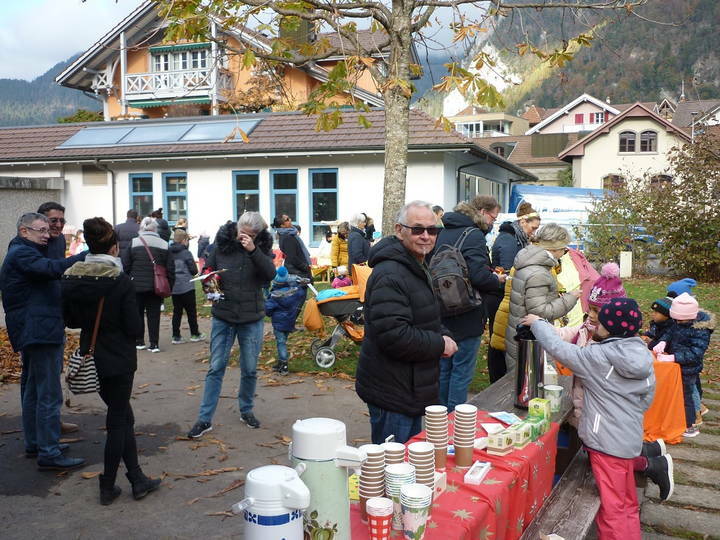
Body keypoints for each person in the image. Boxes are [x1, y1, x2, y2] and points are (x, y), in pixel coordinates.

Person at [522, 298, 656, 540]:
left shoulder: (599, 358)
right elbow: (647, 396)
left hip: (606, 445)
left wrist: (538, 323)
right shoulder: (641, 354)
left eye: (601, 323)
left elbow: (558, 348)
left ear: (611, 328)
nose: (595, 326)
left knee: (612, 507)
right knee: (625, 503)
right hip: (627, 440)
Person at [61, 217, 161, 505]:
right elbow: (134, 329)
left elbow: (69, 318)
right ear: (115, 248)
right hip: (118, 358)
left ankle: (137, 478)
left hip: (91, 355)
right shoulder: (119, 281)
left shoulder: (72, 275)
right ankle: (107, 484)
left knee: (123, 416)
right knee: (118, 420)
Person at [554, 265, 674, 502]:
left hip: (599, 409)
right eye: (592, 308)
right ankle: (650, 456)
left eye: (599, 311)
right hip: (586, 403)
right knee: (596, 452)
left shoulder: (616, 346)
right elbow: (568, 335)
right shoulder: (590, 328)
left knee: (602, 456)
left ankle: (650, 465)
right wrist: (546, 328)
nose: (592, 315)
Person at [355, 201, 458, 444]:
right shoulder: (391, 273)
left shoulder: (415, 265)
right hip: (393, 391)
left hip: (410, 388)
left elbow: (422, 315)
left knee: (407, 467)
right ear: (399, 230)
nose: (426, 236)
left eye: (432, 230)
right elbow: (394, 335)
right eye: (418, 229)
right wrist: (439, 344)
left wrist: (443, 333)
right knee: (393, 470)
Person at [0, 213, 86, 470]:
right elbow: (50, 270)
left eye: (47, 229)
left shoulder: (26, 251)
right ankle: (48, 452)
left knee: (34, 389)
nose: (47, 234)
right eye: (41, 230)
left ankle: (36, 443)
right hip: (39, 330)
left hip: (36, 328)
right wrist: (83, 257)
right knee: (48, 392)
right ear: (24, 231)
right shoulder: (22, 253)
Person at [187, 212, 276, 438]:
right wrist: (209, 285)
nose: (243, 237)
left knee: (249, 368)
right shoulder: (222, 244)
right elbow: (208, 270)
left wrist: (253, 251)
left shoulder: (262, 247)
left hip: (251, 317)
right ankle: (204, 418)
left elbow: (269, 274)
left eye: (249, 235)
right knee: (216, 367)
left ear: (257, 235)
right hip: (223, 316)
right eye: (241, 232)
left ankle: (246, 410)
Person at [428, 195, 506, 411]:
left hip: (441, 309)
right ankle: (455, 422)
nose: (493, 223)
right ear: (481, 212)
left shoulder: (442, 232)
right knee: (461, 372)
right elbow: (479, 276)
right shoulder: (473, 235)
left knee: (444, 368)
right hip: (467, 312)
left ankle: (439, 418)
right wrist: (497, 280)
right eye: (493, 217)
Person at [36, 201, 85, 435]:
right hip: (39, 321)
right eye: (52, 220)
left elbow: (59, 273)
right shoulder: (29, 246)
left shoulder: (57, 241)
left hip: (53, 314)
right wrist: (83, 257)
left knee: (49, 378)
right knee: (44, 383)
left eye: (61, 221)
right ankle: (46, 441)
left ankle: (49, 425)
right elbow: (51, 270)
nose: (57, 225)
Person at [504, 223, 580, 372]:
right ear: (554, 249)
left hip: (519, 334)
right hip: (530, 340)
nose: (564, 252)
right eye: (564, 249)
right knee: (527, 385)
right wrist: (570, 298)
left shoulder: (529, 262)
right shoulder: (539, 273)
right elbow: (539, 313)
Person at [653, 293, 715, 438]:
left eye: (680, 320)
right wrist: (663, 342)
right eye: (675, 319)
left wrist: (673, 357)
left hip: (689, 368)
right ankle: (681, 417)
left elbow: (695, 353)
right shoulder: (679, 321)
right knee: (678, 392)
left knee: (687, 395)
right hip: (676, 366)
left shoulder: (701, 330)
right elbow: (670, 332)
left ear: (691, 316)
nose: (677, 322)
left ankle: (691, 425)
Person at [122, 217, 175, 353]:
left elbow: (126, 265)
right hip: (156, 286)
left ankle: (139, 341)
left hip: (136, 285)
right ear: (155, 229)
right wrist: (170, 285)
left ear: (142, 228)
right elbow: (170, 268)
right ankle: (154, 344)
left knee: (138, 313)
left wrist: (129, 280)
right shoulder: (164, 244)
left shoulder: (134, 243)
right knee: (154, 315)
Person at [264, 266, 307, 376]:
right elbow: (302, 293)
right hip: (290, 321)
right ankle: (280, 362)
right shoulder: (295, 292)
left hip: (279, 323)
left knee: (281, 343)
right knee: (283, 341)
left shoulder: (274, 296)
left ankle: (284, 365)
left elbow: (267, 310)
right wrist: (301, 284)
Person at [169, 229, 205, 344]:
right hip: (187, 286)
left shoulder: (168, 252)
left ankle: (176, 336)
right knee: (191, 311)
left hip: (174, 287)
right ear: (184, 240)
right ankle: (194, 334)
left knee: (177, 312)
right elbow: (194, 270)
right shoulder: (186, 253)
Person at [491, 202, 541, 271]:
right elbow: (508, 269)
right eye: (533, 228)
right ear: (523, 222)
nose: (534, 233)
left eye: (536, 229)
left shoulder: (520, 238)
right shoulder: (508, 239)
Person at [273, 214, 312, 280]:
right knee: (299, 290)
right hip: (296, 272)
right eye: (287, 220)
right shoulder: (287, 237)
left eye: (289, 218)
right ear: (282, 225)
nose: (290, 220)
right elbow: (292, 257)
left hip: (297, 271)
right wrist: (305, 267)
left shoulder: (290, 234)